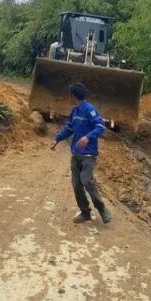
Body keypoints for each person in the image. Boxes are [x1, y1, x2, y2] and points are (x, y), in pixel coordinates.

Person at [51, 82, 112, 224]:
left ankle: (102, 209)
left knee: (86, 181)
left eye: (69, 95)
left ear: (72, 96)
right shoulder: (75, 111)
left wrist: (87, 137)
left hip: (88, 154)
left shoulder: (89, 109)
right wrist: (57, 139)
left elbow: (100, 126)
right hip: (76, 154)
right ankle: (85, 212)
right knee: (76, 184)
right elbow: (69, 128)